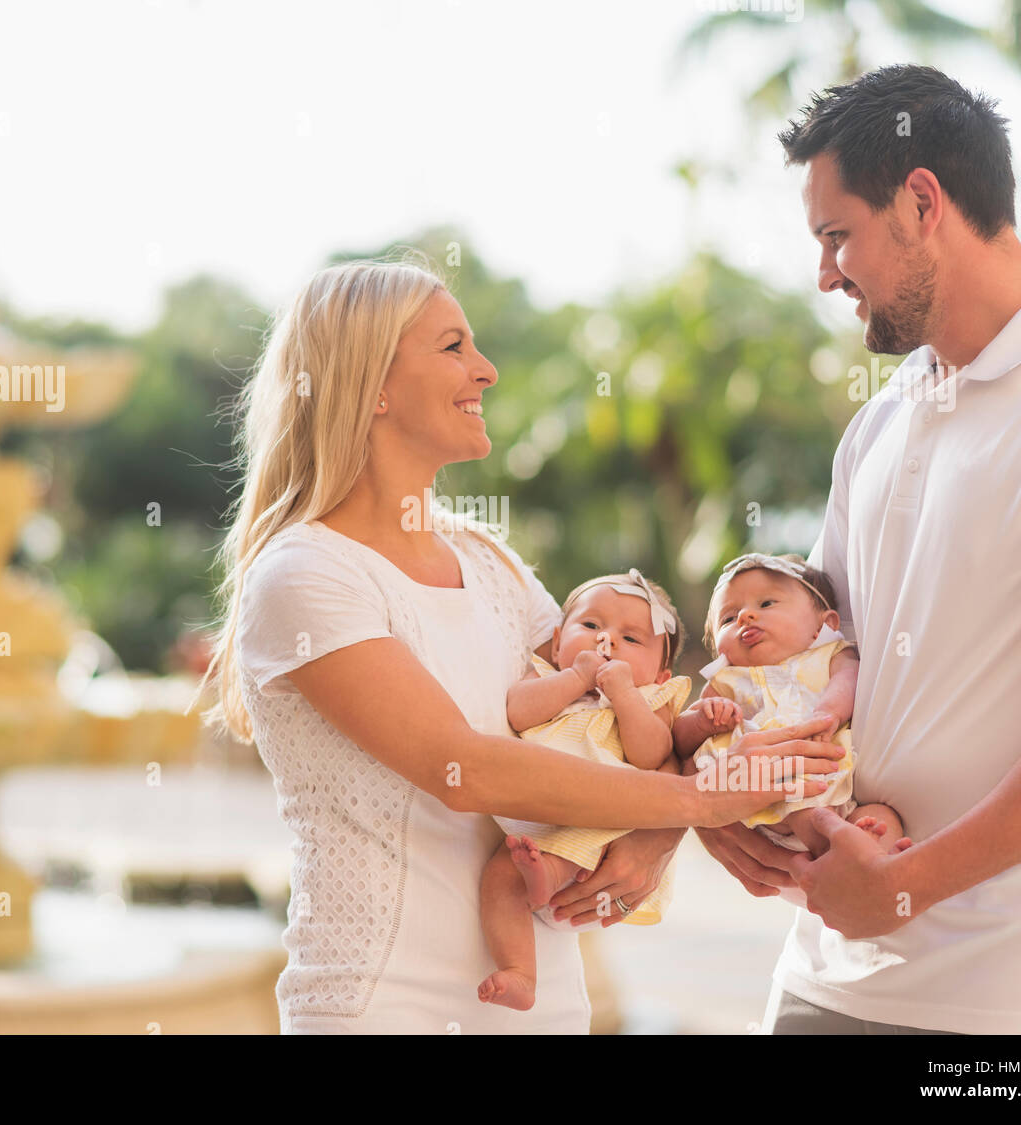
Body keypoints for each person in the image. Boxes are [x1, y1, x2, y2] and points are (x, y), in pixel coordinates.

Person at [199, 256, 844, 1033]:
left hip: (548, 1008)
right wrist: (700, 801)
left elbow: (628, 694)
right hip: (382, 1007)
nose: (488, 369)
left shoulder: (489, 563)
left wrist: (660, 833)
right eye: (452, 347)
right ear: (372, 383)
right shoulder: (305, 573)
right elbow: (463, 768)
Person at [695, 64, 1021, 1035]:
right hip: (820, 977)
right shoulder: (874, 427)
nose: (824, 274)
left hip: (1009, 1006)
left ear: (921, 200)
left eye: (837, 237)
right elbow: (813, 660)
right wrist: (718, 806)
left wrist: (909, 886)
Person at [479, 568, 730, 1010]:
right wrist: (575, 679)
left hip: (606, 825)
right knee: (499, 878)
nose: (606, 642)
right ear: (557, 642)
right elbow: (517, 714)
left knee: (555, 858)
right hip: (536, 821)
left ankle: (547, 877)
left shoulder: (652, 700)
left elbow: (651, 756)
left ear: (659, 672)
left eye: (631, 639)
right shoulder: (544, 678)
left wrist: (625, 696)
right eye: (590, 626)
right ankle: (520, 970)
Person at [687, 553, 910, 872]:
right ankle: (840, 856)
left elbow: (848, 678)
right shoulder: (729, 681)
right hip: (772, 800)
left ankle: (880, 858)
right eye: (727, 618)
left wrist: (828, 712)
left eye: (766, 604)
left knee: (882, 816)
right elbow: (682, 734)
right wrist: (702, 719)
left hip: (836, 787)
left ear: (825, 624)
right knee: (805, 805)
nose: (745, 616)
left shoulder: (829, 655)